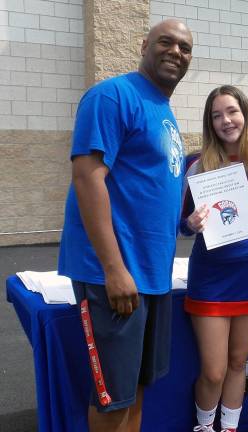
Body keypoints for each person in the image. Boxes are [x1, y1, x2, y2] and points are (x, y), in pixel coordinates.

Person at [57, 19, 193, 432]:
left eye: (185, 47)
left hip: (151, 275)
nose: (176, 52)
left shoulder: (162, 109)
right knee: (112, 400)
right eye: (166, 42)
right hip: (115, 275)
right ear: (143, 45)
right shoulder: (112, 96)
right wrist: (114, 269)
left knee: (135, 390)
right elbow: (87, 177)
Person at [181, 85, 248, 432]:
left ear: (245, 114)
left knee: (238, 363)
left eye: (232, 111)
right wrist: (190, 224)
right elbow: (179, 224)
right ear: (210, 123)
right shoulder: (196, 164)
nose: (226, 120)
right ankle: (204, 427)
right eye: (216, 115)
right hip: (212, 279)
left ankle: (229, 428)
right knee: (214, 369)